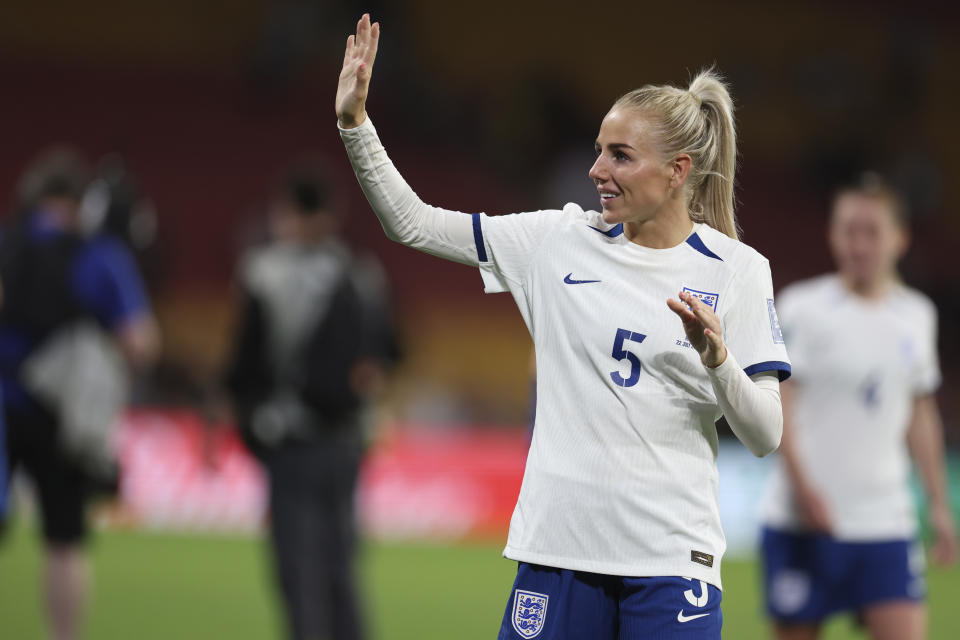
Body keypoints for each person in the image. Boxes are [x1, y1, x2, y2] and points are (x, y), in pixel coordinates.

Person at [336, 15, 790, 639]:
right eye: (599, 149)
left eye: (620, 156)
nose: (596, 169)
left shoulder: (738, 270)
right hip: (558, 554)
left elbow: (765, 435)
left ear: (679, 170)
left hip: (671, 563)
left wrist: (717, 360)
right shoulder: (557, 242)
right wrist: (355, 124)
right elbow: (412, 223)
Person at [760, 173, 957, 640]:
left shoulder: (916, 316)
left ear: (900, 238)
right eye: (848, 230)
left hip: (885, 519)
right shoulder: (803, 308)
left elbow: (920, 413)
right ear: (832, 235)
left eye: (872, 231)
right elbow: (779, 405)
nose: (859, 243)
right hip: (802, 520)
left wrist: (939, 504)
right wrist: (804, 490)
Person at [224, 168, 397, 640]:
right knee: (340, 569)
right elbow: (390, 351)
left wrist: (250, 427)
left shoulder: (265, 273)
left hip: (292, 440)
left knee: (299, 574)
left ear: (292, 214)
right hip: (347, 441)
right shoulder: (361, 274)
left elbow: (244, 366)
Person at [0, 148, 159, 640]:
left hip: (4, 403)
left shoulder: (7, 243)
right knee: (64, 541)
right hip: (64, 416)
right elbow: (140, 342)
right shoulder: (101, 255)